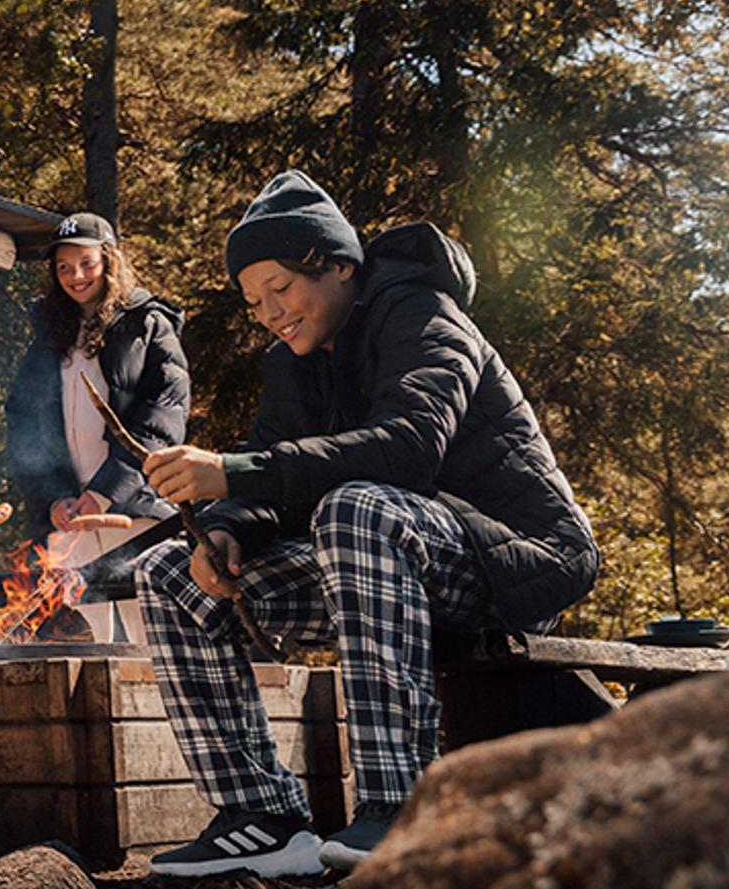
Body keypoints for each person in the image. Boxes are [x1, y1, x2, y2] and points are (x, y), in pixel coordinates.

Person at [135, 172, 599, 878]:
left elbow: (410, 448)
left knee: (356, 507)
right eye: (255, 301)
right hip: (381, 565)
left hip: (513, 558)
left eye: (280, 288)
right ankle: (261, 815)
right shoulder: (291, 364)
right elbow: (273, 485)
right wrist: (226, 528)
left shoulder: (422, 315)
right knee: (169, 572)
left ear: (338, 265)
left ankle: (400, 804)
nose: (268, 312)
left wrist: (232, 470)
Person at [5, 212, 188, 642]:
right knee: (90, 638)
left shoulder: (147, 324)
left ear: (108, 260)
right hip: (72, 519)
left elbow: (164, 415)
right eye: (64, 268)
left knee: (151, 631)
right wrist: (53, 500)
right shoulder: (48, 338)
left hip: (135, 509)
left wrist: (106, 493)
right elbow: (23, 424)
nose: (76, 276)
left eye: (86, 263)